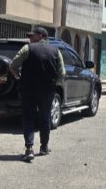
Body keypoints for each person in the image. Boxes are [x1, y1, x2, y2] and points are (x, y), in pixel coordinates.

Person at [9, 27, 65, 162]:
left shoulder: (27, 48)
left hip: (28, 89)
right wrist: (54, 84)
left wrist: (18, 77)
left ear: (41, 36)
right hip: (47, 90)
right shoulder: (56, 51)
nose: (30, 38)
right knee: (45, 117)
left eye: (32, 36)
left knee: (29, 117)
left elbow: (13, 65)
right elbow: (62, 73)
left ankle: (29, 149)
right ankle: (44, 147)